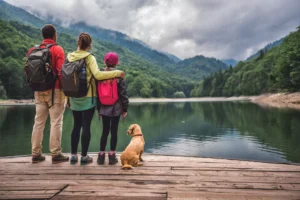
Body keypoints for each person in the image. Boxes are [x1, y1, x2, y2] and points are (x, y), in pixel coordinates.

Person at [68, 33, 125, 165]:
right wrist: (117, 73)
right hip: (88, 97)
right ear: (89, 45)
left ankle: (73, 156)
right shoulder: (89, 57)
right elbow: (98, 75)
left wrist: (67, 99)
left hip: (73, 97)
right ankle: (83, 157)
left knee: (76, 126)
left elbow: (67, 77)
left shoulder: (70, 57)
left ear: (78, 43)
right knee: (86, 126)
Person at [28, 24, 69, 163]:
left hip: (38, 90)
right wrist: (65, 90)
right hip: (55, 90)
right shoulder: (58, 49)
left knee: (38, 123)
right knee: (56, 122)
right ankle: (56, 154)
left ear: (42, 36)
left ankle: (35, 154)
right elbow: (60, 72)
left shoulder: (32, 50)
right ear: (54, 35)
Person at [97, 52, 129, 165]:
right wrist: (125, 109)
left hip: (104, 107)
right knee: (114, 131)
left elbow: (97, 93)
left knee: (105, 131)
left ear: (105, 61)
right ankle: (111, 157)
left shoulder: (100, 74)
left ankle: (101, 157)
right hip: (116, 107)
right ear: (116, 64)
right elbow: (123, 93)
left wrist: (98, 109)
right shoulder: (119, 75)